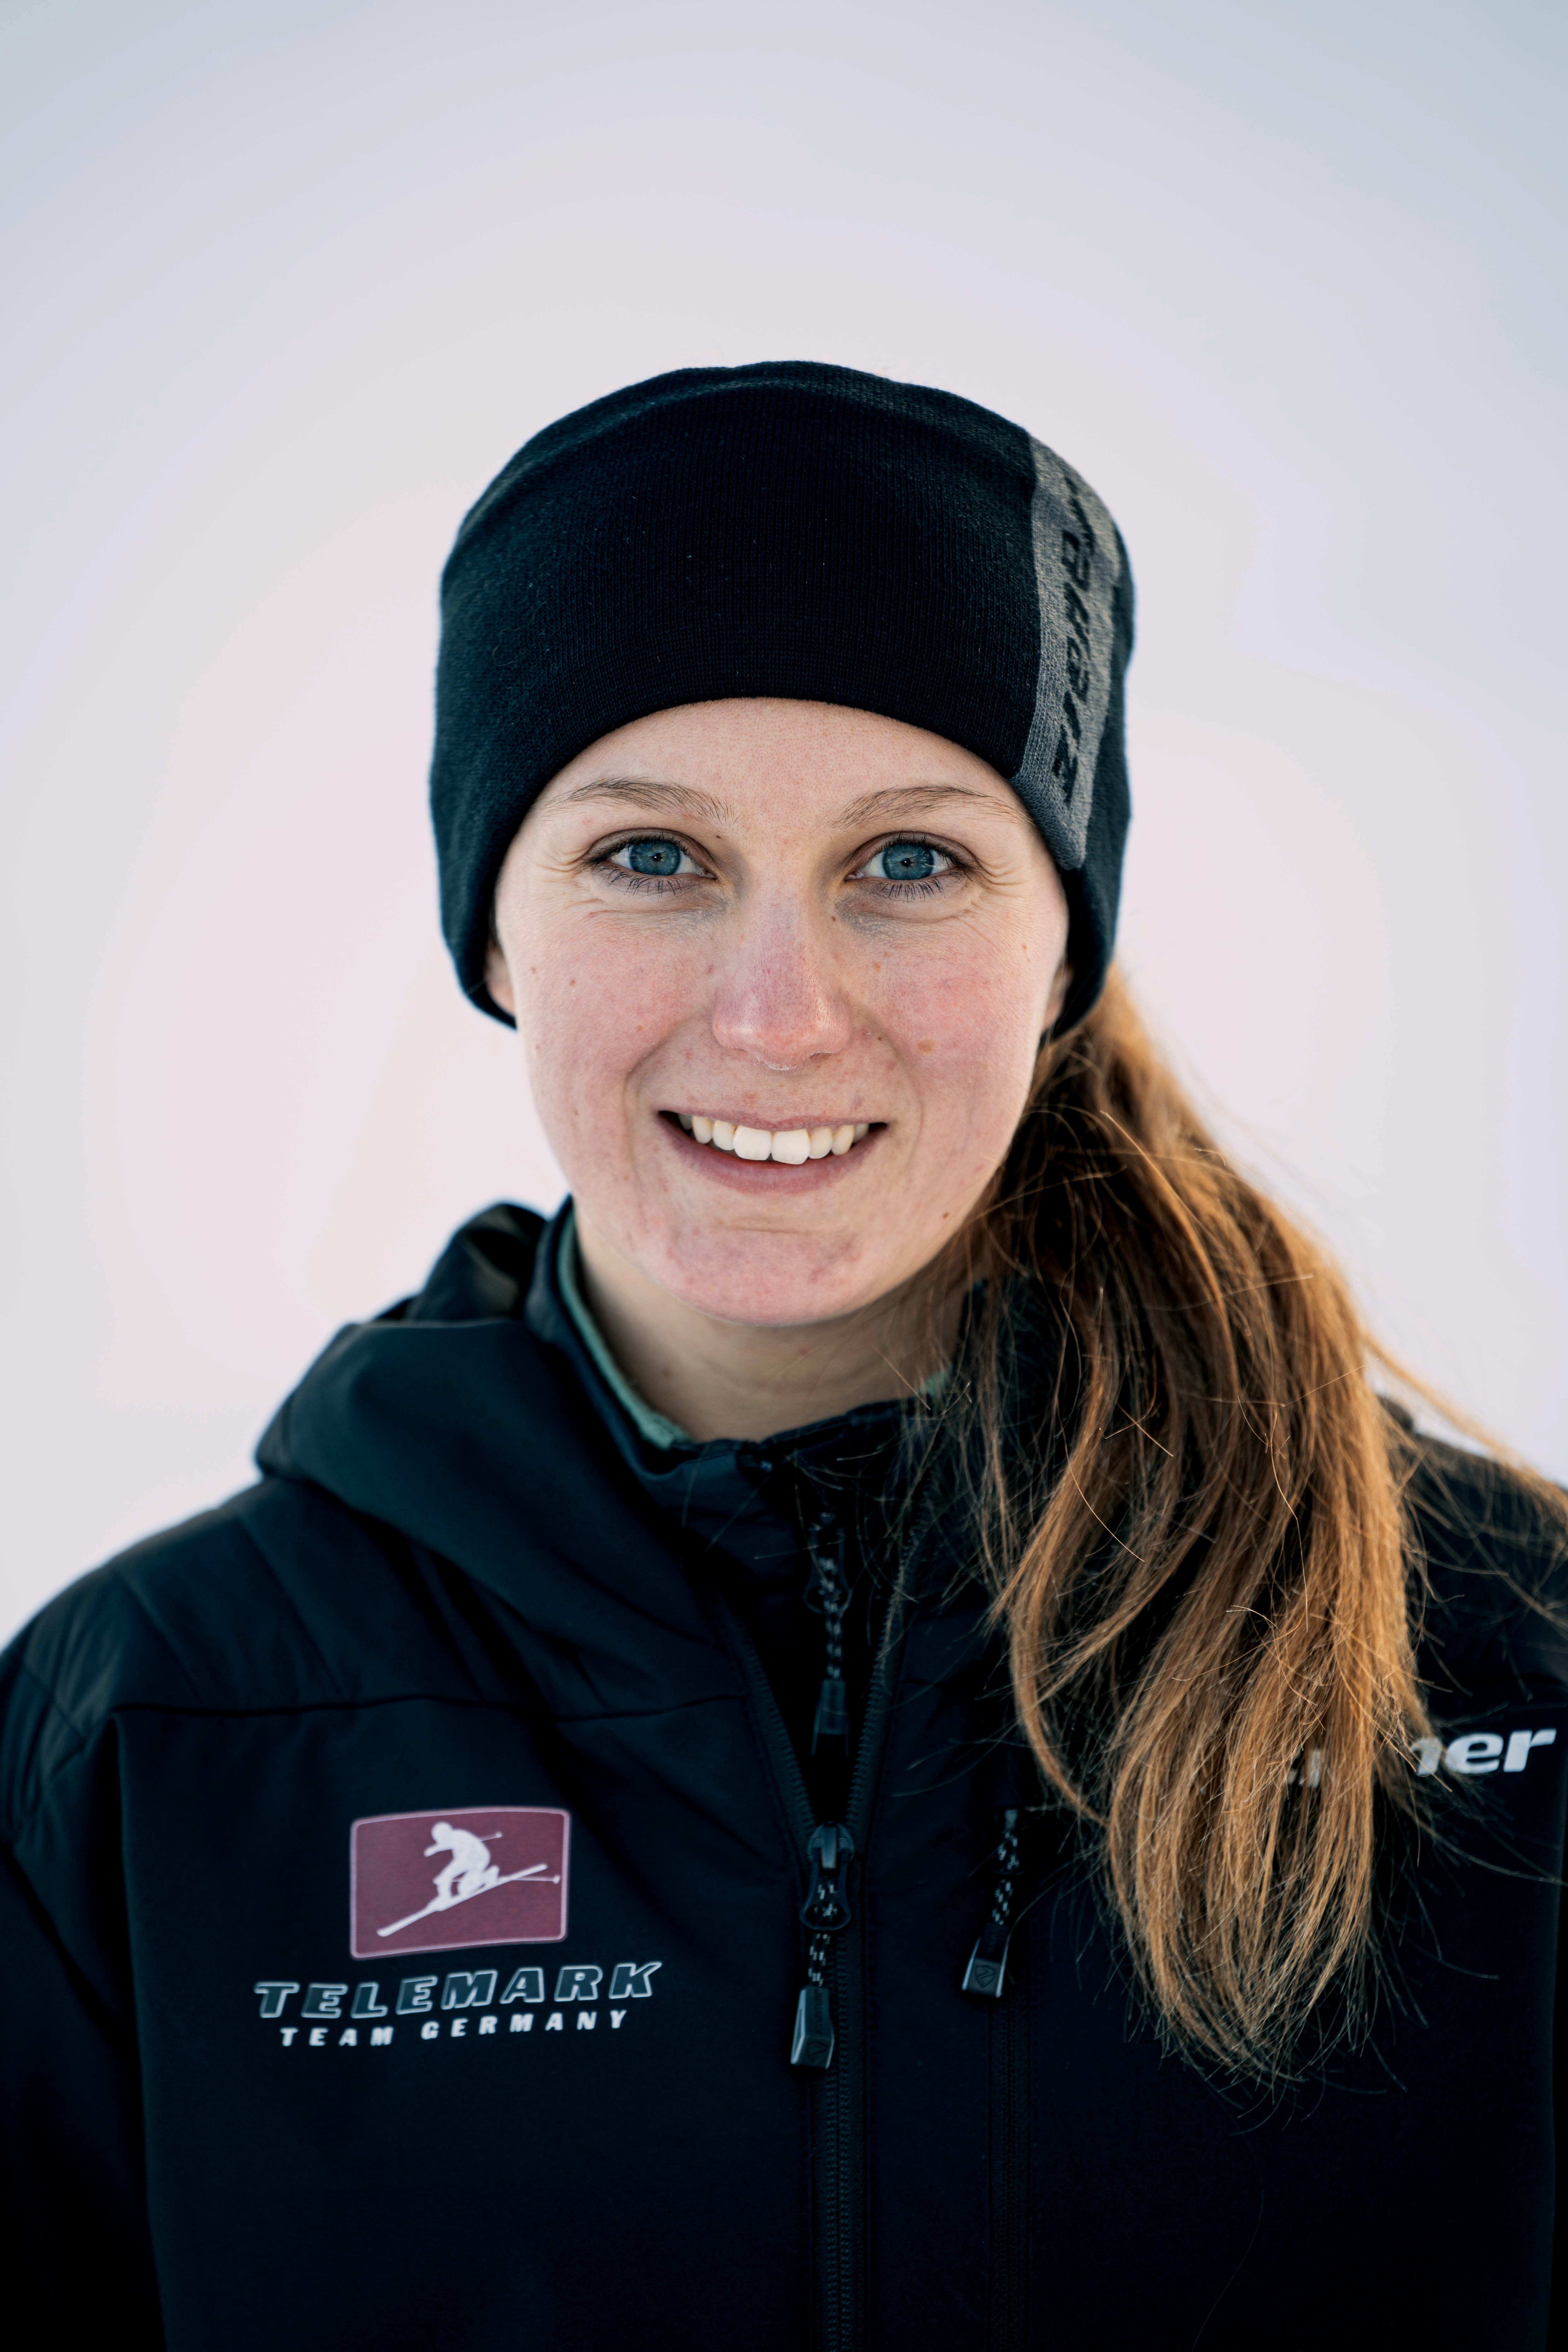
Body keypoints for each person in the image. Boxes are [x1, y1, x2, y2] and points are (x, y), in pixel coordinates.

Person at [2, 362, 1564, 2351]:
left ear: (1060, 946)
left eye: (909, 862)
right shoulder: (158, 1739)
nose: (777, 1016)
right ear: (496, 932)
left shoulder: (1506, 1673)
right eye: (651, 856)